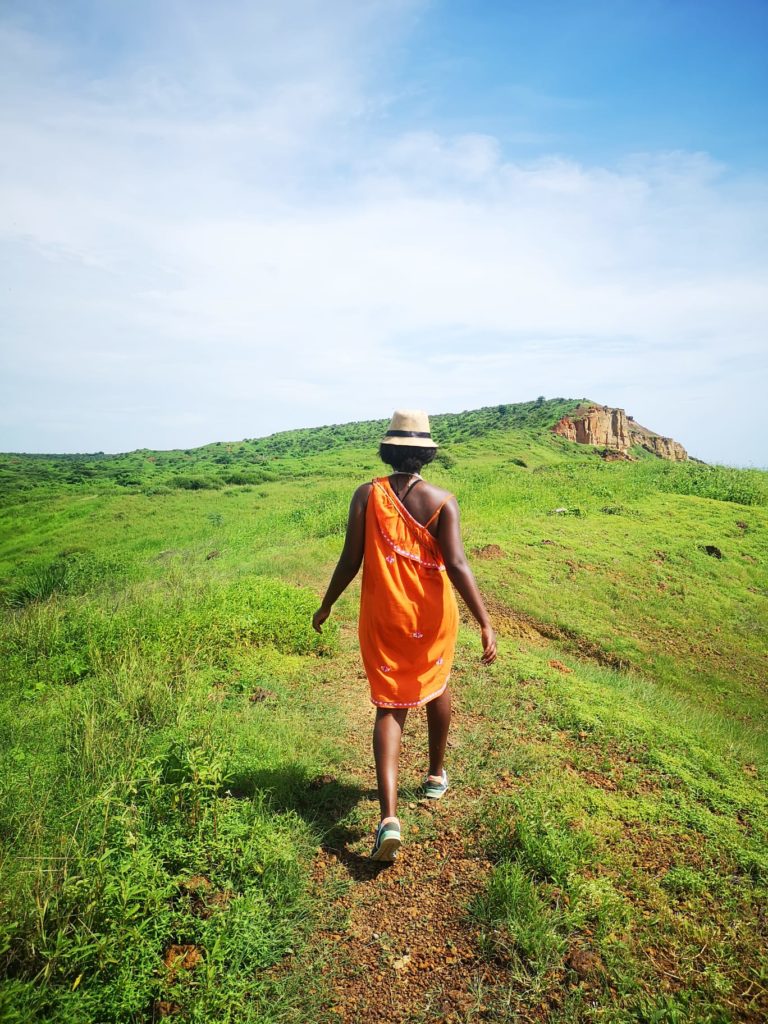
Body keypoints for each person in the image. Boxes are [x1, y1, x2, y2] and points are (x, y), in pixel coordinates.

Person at [312, 409, 496, 862]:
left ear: (388, 450)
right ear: (426, 455)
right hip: (433, 616)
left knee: (390, 707)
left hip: (384, 616)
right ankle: (435, 775)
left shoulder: (366, 496)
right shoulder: (441, 501)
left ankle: (389, 818)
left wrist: (328, 602)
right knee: (437, 684)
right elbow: (457, 565)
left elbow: (349, 559)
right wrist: (484, 620)